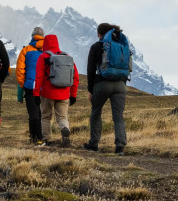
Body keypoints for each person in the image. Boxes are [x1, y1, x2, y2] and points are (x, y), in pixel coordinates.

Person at [83, 22, 130, 154]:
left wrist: (90, 90)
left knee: (96, 112)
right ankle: (120, 146)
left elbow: (91, 69)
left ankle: (94, 143)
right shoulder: (121, 46)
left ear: (99, 34)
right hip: (120, 85)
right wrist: (122, 84)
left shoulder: (97, 46)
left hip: (102, 84)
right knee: (118, 116)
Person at [33, 34, 78, 145]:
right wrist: (73, 94)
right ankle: (64, 129)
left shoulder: (43, 57)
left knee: (46, 117)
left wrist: (36, 94)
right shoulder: (66, 56)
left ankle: (47, 139)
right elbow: (75, 77)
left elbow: (38, 77)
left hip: (47, 92)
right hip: (64, 93)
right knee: (62, 117)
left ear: (45, 43)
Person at [14, 27, 46, 146]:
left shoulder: (26, 50)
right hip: (45, 86)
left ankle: (35, 137)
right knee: (42, 113)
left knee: (33, 112)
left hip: (30, 85)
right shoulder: (47, 50)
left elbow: (20, 70)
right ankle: (42, 136)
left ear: (32, 36)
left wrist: (23, 84)